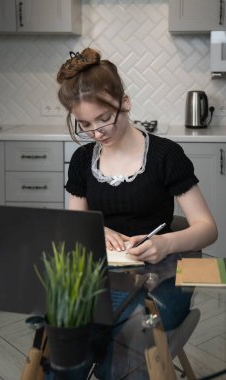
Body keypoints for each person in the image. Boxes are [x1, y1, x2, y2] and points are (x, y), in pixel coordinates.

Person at [53, 47, 218, 379]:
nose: (97, 132)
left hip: (166, 272)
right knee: (65, 332)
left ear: (125, 103)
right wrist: (96, 231)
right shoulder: (84, 161)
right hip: (105, 274)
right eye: (85, 124)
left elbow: (207, 228)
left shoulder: (166, 155)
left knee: (130, 338)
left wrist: (166, 243)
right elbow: (75, 225)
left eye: (105, 118)